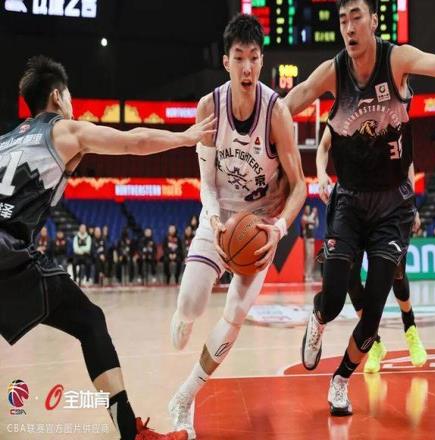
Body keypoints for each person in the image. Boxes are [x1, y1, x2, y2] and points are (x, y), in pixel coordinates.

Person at [284, 0, 435, 416]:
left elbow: (433, 61)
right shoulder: (334, 71)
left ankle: (340, 381)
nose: (349, 27)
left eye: (356, 17)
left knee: (372, 315)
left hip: (392, 205)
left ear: (373, 21)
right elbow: (298, 96)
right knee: (333, 300)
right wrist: (262, 121)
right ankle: (318, 319)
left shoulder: (395, 60)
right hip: (349, 200)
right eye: (343, 20)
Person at [0, 55, 215, 439]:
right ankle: (131, 433)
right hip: (8, 250)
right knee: (89, 321)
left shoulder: (6, 140)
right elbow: (135, 142)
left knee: (87, 318)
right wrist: (186, 137)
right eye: (69, 95)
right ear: (57, 96)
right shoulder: (64, 130)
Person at [168, 14, 307, 438]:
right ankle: (184, 314)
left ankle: (185, 396)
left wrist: (278, 228)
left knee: (235, 313)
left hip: (260, 226)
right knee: (191, 303)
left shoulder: (276, 112)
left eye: (253, 58)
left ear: (262, 61)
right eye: (239, 58)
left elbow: (300, 186)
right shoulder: (209, 108)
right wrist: (214, 219)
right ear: (226, 61)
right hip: (220, 214)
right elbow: (207, 183)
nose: (247, 67)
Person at [315, 128, 427, 374]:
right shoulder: (344, 112)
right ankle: (374, 343)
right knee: (351, 281)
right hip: (352, 207)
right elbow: (323, 146)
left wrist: (411, 204)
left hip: (388, 207)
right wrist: (322, 175)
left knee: (397, 275)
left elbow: (407, 161)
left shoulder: (392, 115)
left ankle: (410, 329)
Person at [301, 204, 319, 282]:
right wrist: (314, 213)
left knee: (311, 257)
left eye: (308, 209)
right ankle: (306, 274)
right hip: (307, 239)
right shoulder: (304, 218)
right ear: (304, 210)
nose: (308, 210)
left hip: (312, 239)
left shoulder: (311, 217)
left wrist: (316, 216)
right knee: (308, 256)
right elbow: (310, 220)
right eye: (306, 209)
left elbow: (316, 224)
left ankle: (310, 274)